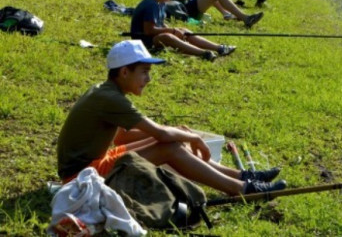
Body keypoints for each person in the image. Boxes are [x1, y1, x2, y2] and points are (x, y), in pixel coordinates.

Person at [56, 39, 286, 196]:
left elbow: (120, 137)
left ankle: (244, 176)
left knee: (171, 140)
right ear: (124, 72)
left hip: (92, 164)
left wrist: (177, 132)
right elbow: (162, 135)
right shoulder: (111, 98)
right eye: (144, 72)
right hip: (80, 178)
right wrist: (191, 137)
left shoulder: (105, 91)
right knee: (170, 146)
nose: (149, 79)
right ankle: (242, 189)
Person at [130, 0, 236, 61]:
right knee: (167, 37)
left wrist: (175, 30)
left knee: (184, 31)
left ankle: (219, 48)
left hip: (153, 38)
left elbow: (160, 23)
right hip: (144, 43)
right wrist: (172, 31)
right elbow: (149, 30)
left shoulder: (160, 3)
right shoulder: (151, 4)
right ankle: (203, 53)